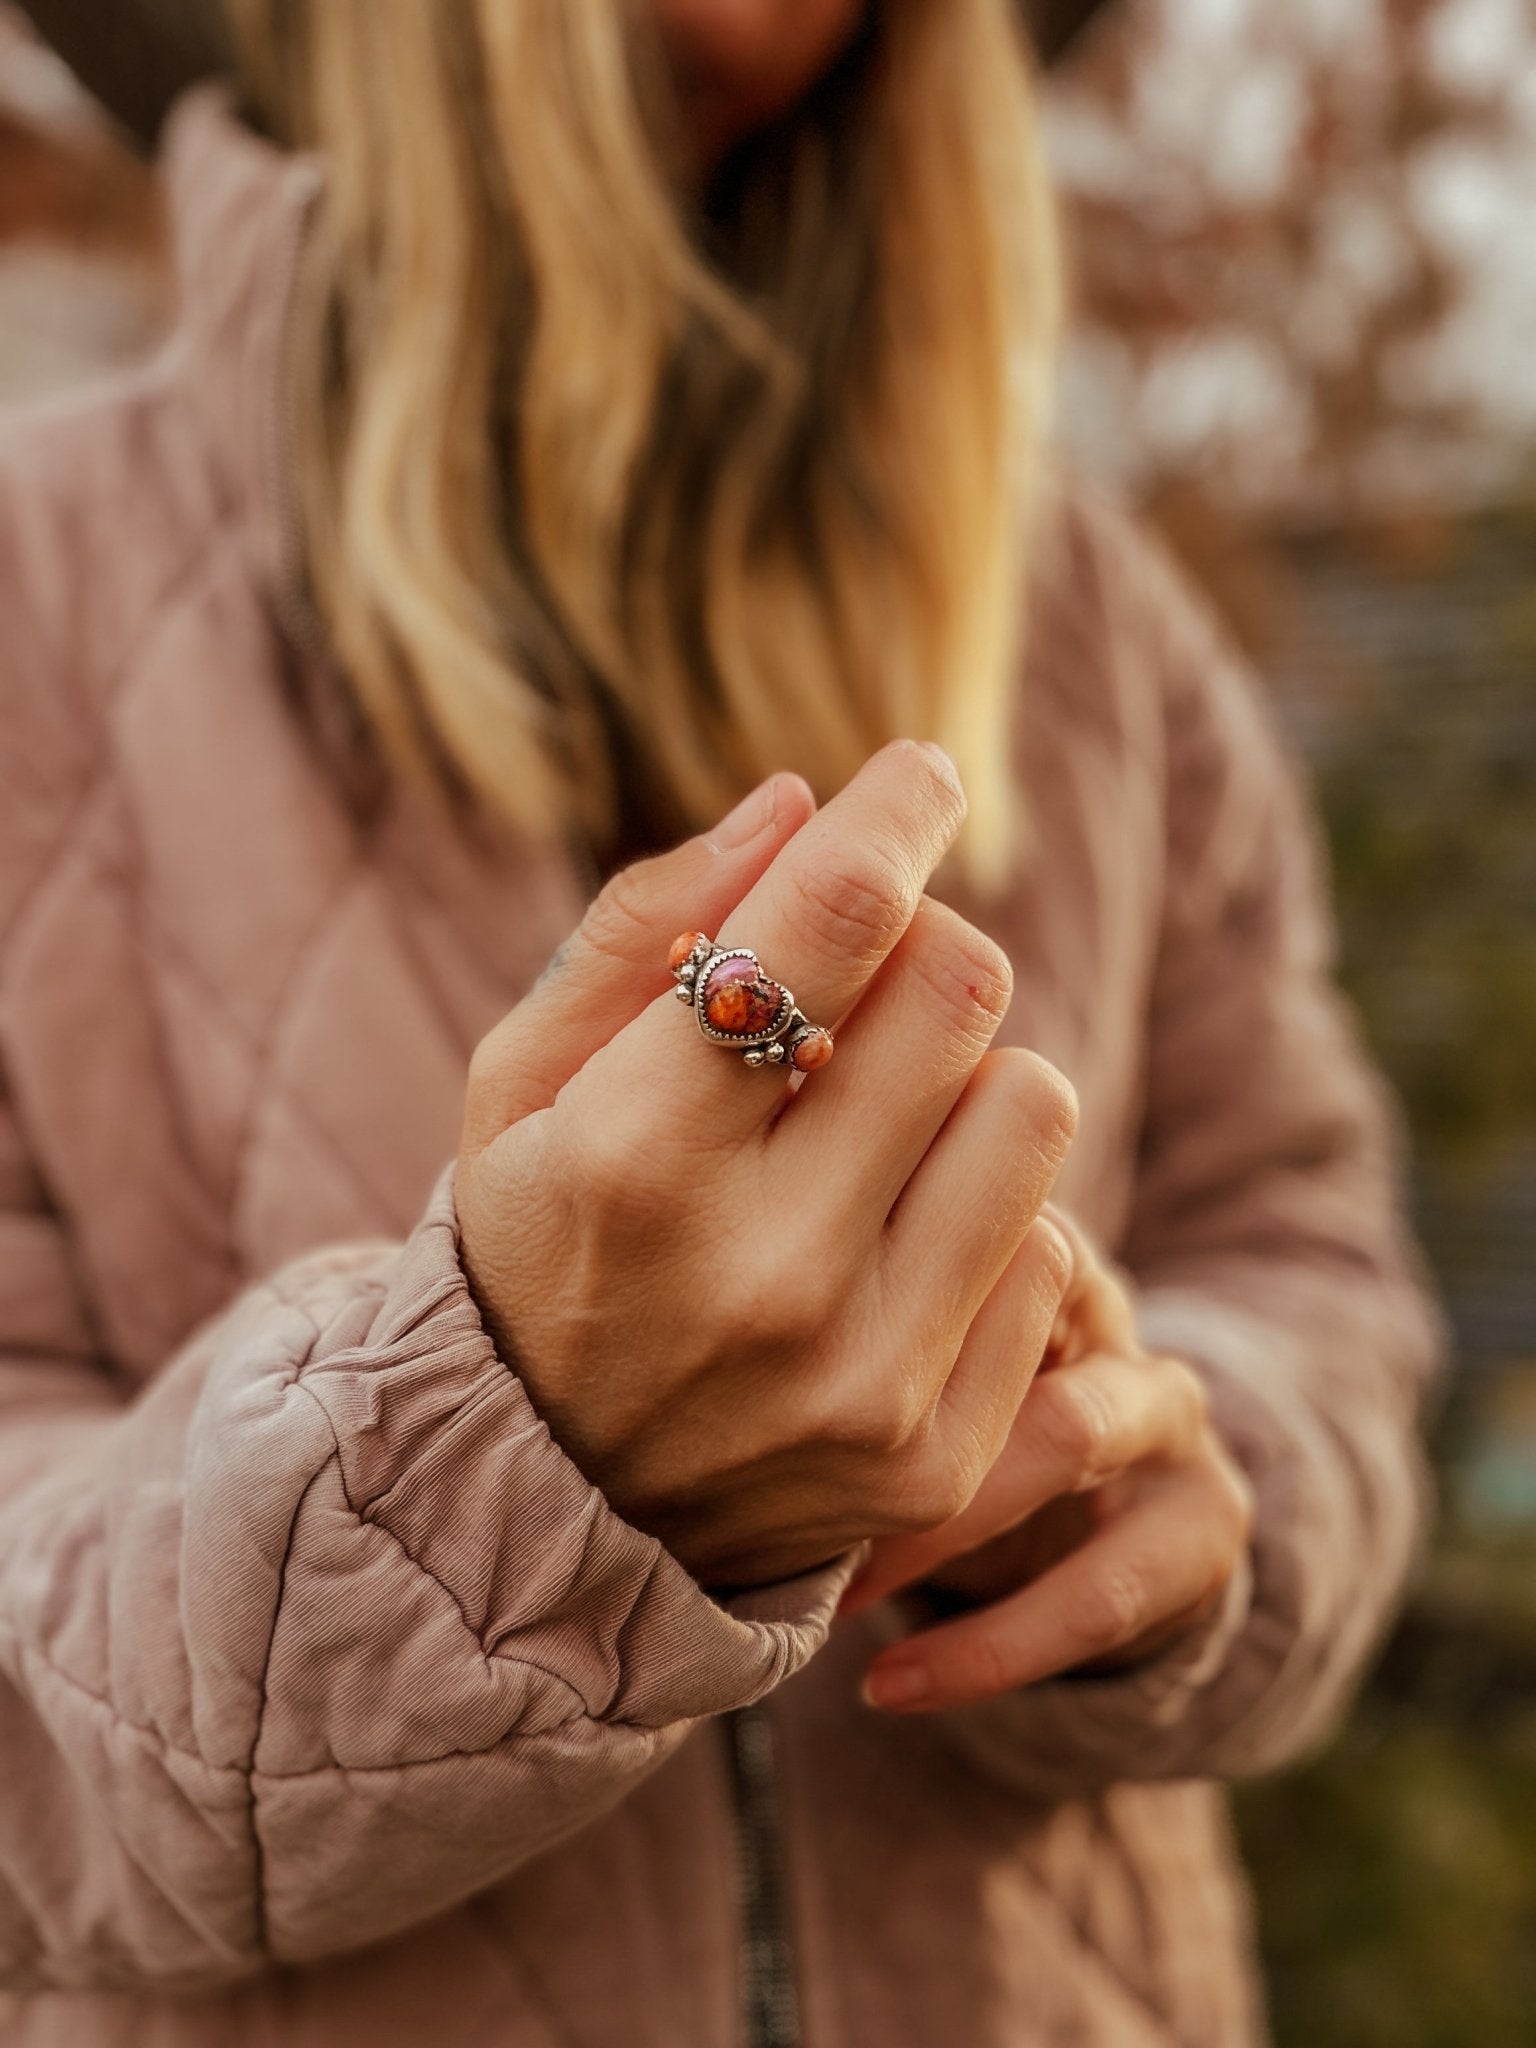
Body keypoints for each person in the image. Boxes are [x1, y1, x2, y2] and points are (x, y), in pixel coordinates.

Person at [0, 2, 1441, 2043]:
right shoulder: (32, 602)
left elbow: (1312, 1270)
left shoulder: (1097, 635)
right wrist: (499, 1462)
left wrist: (1175, 1473)